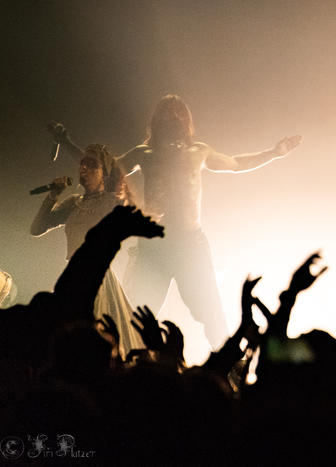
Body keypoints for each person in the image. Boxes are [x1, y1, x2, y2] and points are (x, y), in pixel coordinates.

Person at [49, 94, 301, 346]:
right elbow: (101, 167)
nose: (173, 116)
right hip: (155, 246)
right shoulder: (144, 153)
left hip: (190, 244)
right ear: (156, 121)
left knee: (211, 314)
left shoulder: (198, 151)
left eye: (178, 111)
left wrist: (273, 153)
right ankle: (124, 360)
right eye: (167, 112)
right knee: (135, 315)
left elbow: (236, 163)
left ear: (187, 120)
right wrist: (66, 141)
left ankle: (230, 363)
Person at [30, 143, 143, 355]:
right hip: (72, 274)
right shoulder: (74, 203)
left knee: (91, 334)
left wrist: (125, 191)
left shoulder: (112, 202)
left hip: (97, 276)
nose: (84, 168)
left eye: (92, 164)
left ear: (104, 173)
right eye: (82, 163)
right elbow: (36, 229)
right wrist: (53, 195)